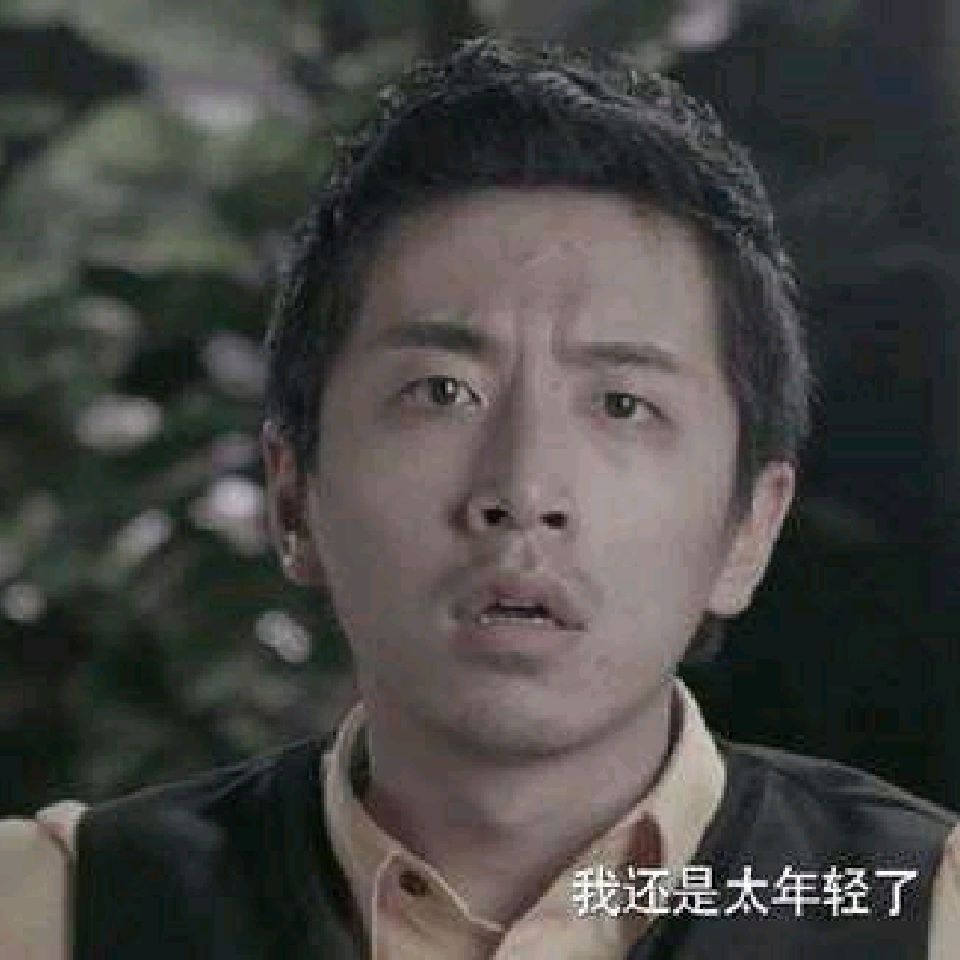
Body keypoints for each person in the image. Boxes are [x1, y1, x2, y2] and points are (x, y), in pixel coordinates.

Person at [2, 37, 957, 959]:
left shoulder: (928, 915)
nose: (524, 489)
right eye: (441, 392)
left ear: (749, 528)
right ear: (293, 499)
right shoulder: (57, 910)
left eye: (622, 404)